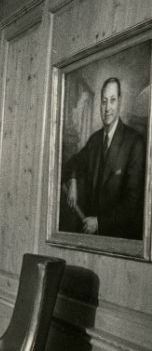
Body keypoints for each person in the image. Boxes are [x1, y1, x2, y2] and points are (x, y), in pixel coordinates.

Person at [65, 77, 146, 239]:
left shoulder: (135, 142)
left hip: (119, 239)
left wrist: (100, 223)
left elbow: (133, 203)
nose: (107, 108)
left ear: (120, 102)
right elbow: (74, 161)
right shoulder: (95, 140)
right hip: (92, 238)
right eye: (103, 102)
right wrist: (73, 181)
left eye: (112, 100)